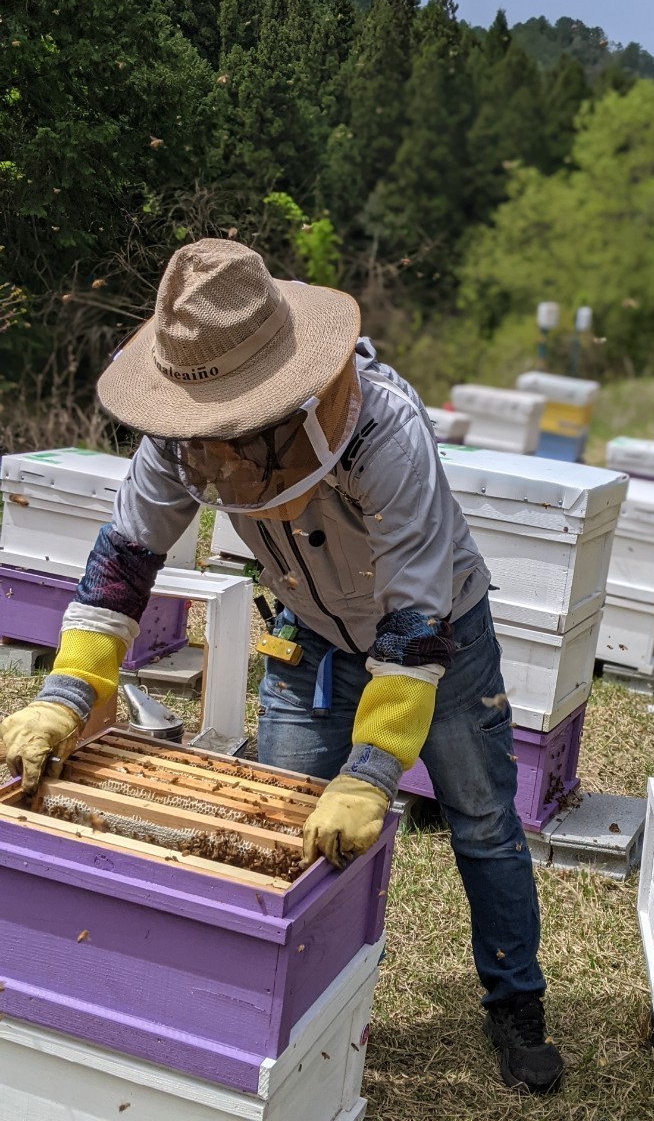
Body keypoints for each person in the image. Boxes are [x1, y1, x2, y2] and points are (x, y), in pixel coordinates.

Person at [0, 239, 563, 1094]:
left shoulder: (385, 430)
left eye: (239, 436)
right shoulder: (180, 429)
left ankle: (516, 1006)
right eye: (206, 439)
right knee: (274, 847)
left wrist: (373, 771)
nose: (216, 460)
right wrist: (68, 693)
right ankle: (273, 1022)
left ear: (294, 402)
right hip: (306, 635)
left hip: (437, 636)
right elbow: (121, 564)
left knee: (482, 820)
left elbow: (414, 626)